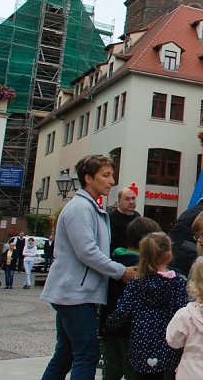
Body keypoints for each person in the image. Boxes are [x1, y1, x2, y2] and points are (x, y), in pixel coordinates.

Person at [41, 154, 136, 380]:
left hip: (75, 292)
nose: (111, 181)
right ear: (88, 178)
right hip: (75, 293)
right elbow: (87, 252)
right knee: (87, 353)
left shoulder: (90, 207)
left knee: (65, 353)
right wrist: (120, 271)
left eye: (111, 175)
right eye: (105, 175)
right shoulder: (80, 209)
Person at [106, 232, 188, 379]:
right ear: (169, 255)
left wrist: (110, 324)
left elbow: (123, 310)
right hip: (169, 344)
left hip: (141, 344)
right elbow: (183, 312)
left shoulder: (136, 284)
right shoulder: (178, 283)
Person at [101, 217, 162, 380]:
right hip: (132, 332)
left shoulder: (112, 262)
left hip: (109, 326)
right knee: (132, 373)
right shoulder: (144, 266)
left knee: (111, 371)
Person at [109, 186, 141, 252]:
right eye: (127, 199)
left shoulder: (137, 217)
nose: (131, 202)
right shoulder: (111, 218)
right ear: (119, 201)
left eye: (133, 198)